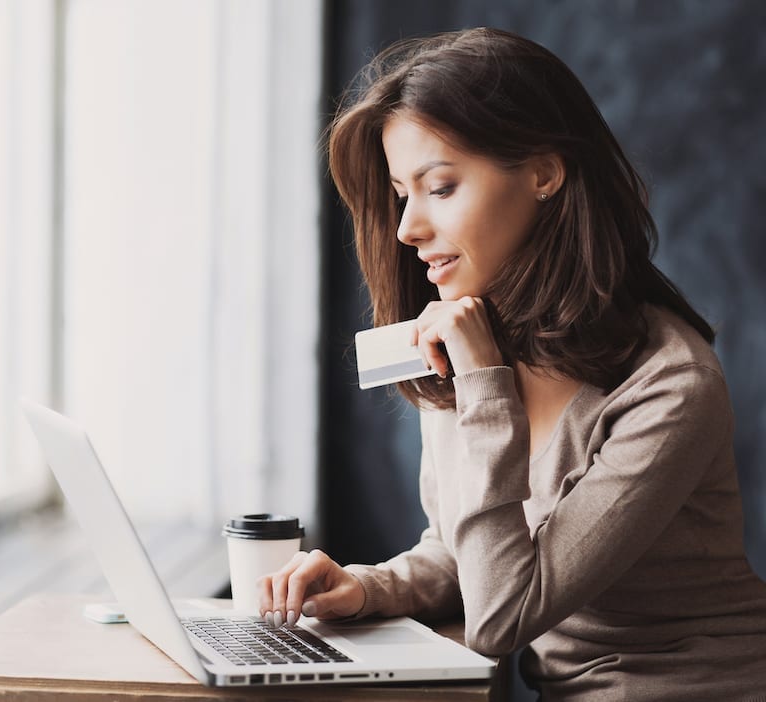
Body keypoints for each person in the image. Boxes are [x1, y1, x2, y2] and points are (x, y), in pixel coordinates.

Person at [258, 27, 766, 699]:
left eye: (439, 187)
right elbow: (468, 551)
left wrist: (483, 386)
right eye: (399, 193)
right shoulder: (471, 337)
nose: (407, 227)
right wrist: (367, 587)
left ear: (544, 173)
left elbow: (501, 614)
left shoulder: (670, 385)